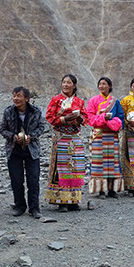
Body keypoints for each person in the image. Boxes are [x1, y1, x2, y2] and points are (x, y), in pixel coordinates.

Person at [0, 86, 45, 218]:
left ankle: (34, 208)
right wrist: (13, 136)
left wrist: (31, 136)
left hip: (32, 150)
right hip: (14, 150)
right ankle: (20, 206)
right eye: (14, 96)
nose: (15, 98)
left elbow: (42, 127)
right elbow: (2, 129)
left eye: (19, 96)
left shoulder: (36, 111)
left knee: (33, 180)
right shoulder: (8, 111)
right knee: (16, 180)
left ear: (27, 98)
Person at [44, 74, 87, 211]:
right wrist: (64, 119)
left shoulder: (79, 102)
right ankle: (61, 200)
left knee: (75, 167)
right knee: (61, 167)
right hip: (61, 136)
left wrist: (80, 119)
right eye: (64, 82)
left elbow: (86, 117)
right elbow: (49, 117)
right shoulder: (56, 100)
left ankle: (73, 199)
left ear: (74, 85)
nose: (65, 85)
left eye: (69, 83)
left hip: (75, 137)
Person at [86, 77, 124, 198]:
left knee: (113, 162)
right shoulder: (93, 101)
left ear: (110, 86)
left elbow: (121, 117)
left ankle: (112, 189)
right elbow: (89, 118)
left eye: (104, 84)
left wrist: (113, 122)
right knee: (98, 162)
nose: (102, 86)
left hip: (112, 135)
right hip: (99, 134)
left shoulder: (115, 102)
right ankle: (101, 190)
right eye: (100, 84)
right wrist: (102, 118)